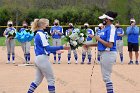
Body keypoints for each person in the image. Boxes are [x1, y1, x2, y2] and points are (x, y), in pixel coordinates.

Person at [27, 18, 70, 93]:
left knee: (37, 81)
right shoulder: (41, 34)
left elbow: (45, 49)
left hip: (38, 58)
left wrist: (55, 51)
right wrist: (62, 46)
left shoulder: (38, 33)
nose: (48, 25)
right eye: (47, 24)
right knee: (51, 79)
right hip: (42, 59)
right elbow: (47, 48)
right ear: (43, 25)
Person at [84, 11, 118, 93]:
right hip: (104, 54)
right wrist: (89, 45)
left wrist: (98, 38)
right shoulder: (105, 28)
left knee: (106, 77)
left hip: (109, 53)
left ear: (108, 19)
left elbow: (110, 45)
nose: (103, 20)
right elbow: (100, 43)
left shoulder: (112, 29)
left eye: (104, 19)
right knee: (105, 77)